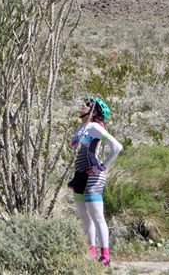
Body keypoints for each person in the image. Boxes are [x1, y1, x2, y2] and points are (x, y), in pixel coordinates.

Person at [68, 96, 123, 266]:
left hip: (93, 177)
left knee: (97, 217)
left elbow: (117, 147)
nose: (81, 105)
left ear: (93, 111)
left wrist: (102, 167)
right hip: (79, 176)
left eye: (86, 104)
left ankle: (105, 256)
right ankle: (90, 253)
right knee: (85, 219)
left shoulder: (94, 127)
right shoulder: (80, 127)